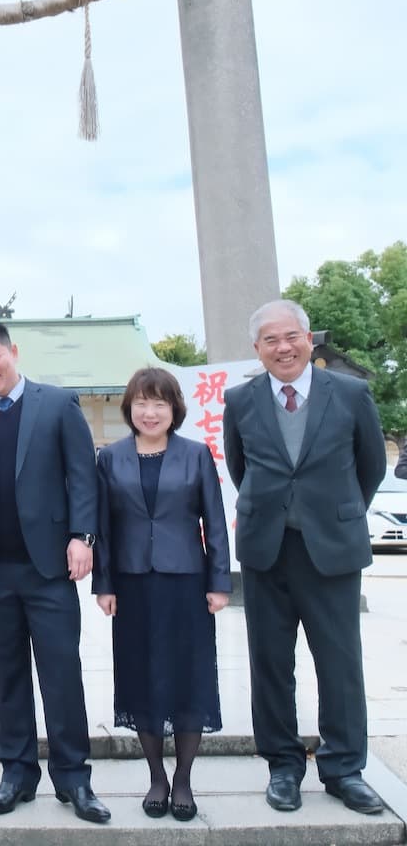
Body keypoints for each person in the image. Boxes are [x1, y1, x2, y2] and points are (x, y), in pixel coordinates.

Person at [0, 318, 110, 824]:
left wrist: (83, 537)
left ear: (13, 351)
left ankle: (74, 779)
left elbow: (83, 477)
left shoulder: (57, 405)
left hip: (48, 568)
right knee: (6, 676)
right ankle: (16, 773)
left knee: (61, 674)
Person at [223, 299, 388, 815]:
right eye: (270, 340)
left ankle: (344, 769)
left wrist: (335, 515)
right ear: (257, 349)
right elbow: (239, 468)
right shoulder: (240, 400)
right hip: (266, 551)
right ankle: (283, 766)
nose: (282, 347)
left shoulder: (352, 394)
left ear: (308, 337)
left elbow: (371, 467)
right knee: (270, 664)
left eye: (290, 336)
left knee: (340, 664)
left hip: (332, 551)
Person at [92, 367, 231, 822]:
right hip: (131, 586)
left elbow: (213, 519)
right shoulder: (110, 458)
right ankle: (156, 777)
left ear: (175, 409)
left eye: (160, 403)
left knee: (189, 677)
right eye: (141, 403)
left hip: (187, 584)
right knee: (141, 676)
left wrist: (219, 582)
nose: (150, 412)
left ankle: (185, 779)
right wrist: (104, 584)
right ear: (129, 409)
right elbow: (104, 528)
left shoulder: (195, 455)